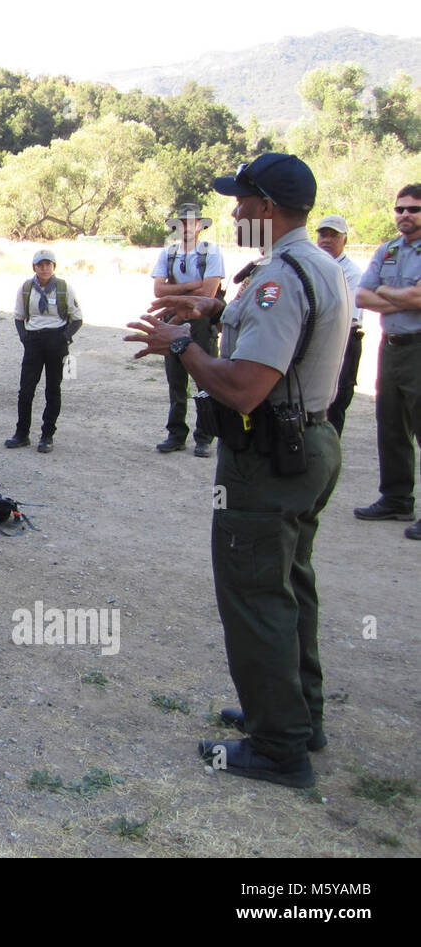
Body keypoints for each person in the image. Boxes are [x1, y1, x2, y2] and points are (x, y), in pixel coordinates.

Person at [124, 151, 350, 788]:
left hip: (269, 461)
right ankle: (297, 715)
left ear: (268, 210)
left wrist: (183, 346)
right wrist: (216, 316)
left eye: (243, 202)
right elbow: (283, 341)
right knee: (291, 584)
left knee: (255, 595)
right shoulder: (315, 265)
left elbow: (247, 387)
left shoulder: (279, 279)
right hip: (307, 444)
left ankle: (280, 747)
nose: (233, 212)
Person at [352, 183, 421, 540]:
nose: (405, 215)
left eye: (413, 209)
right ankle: (396, 498)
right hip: (391, 347)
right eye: (400, 209)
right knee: (390, 423)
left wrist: (388, 294)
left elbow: (419, 297)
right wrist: (402, 298)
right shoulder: (388, 249)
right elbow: (362, 295)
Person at [151, 203, 225, 457]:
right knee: (176, 379)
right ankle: (176, 434)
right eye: (181, 223)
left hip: (201, 322)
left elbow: (208, 294)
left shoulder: (211, 253)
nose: (186, 227)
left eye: (191, 222)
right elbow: (158, 291)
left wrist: (178, 290)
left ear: (200, 227)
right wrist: (193, 286)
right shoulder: (168, 253)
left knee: (206, 378)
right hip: (174, 318)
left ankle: (205, 436)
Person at [7, 249, 82, 453]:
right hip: (34, 341)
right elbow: (18, 316)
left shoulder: (63, 288)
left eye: (48, 264)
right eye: (40, 265)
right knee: (26, 390)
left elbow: (77, 318)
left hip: (56, 340)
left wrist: (64, 337)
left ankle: (47, 436)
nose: (45, 268)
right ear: (34, 267)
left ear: (54, 266)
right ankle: (21, 434)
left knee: (53, 390)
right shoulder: (26, 288)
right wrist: (25, 338)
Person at [314, 215, 364, 436]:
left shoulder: (352, 273)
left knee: (336, 402)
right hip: (316, 338)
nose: (326, 240)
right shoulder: (312, 266)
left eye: (333, 235)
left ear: (345, 240)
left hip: (344, 339)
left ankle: (330, 455)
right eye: (323, 234)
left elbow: (342, 315)